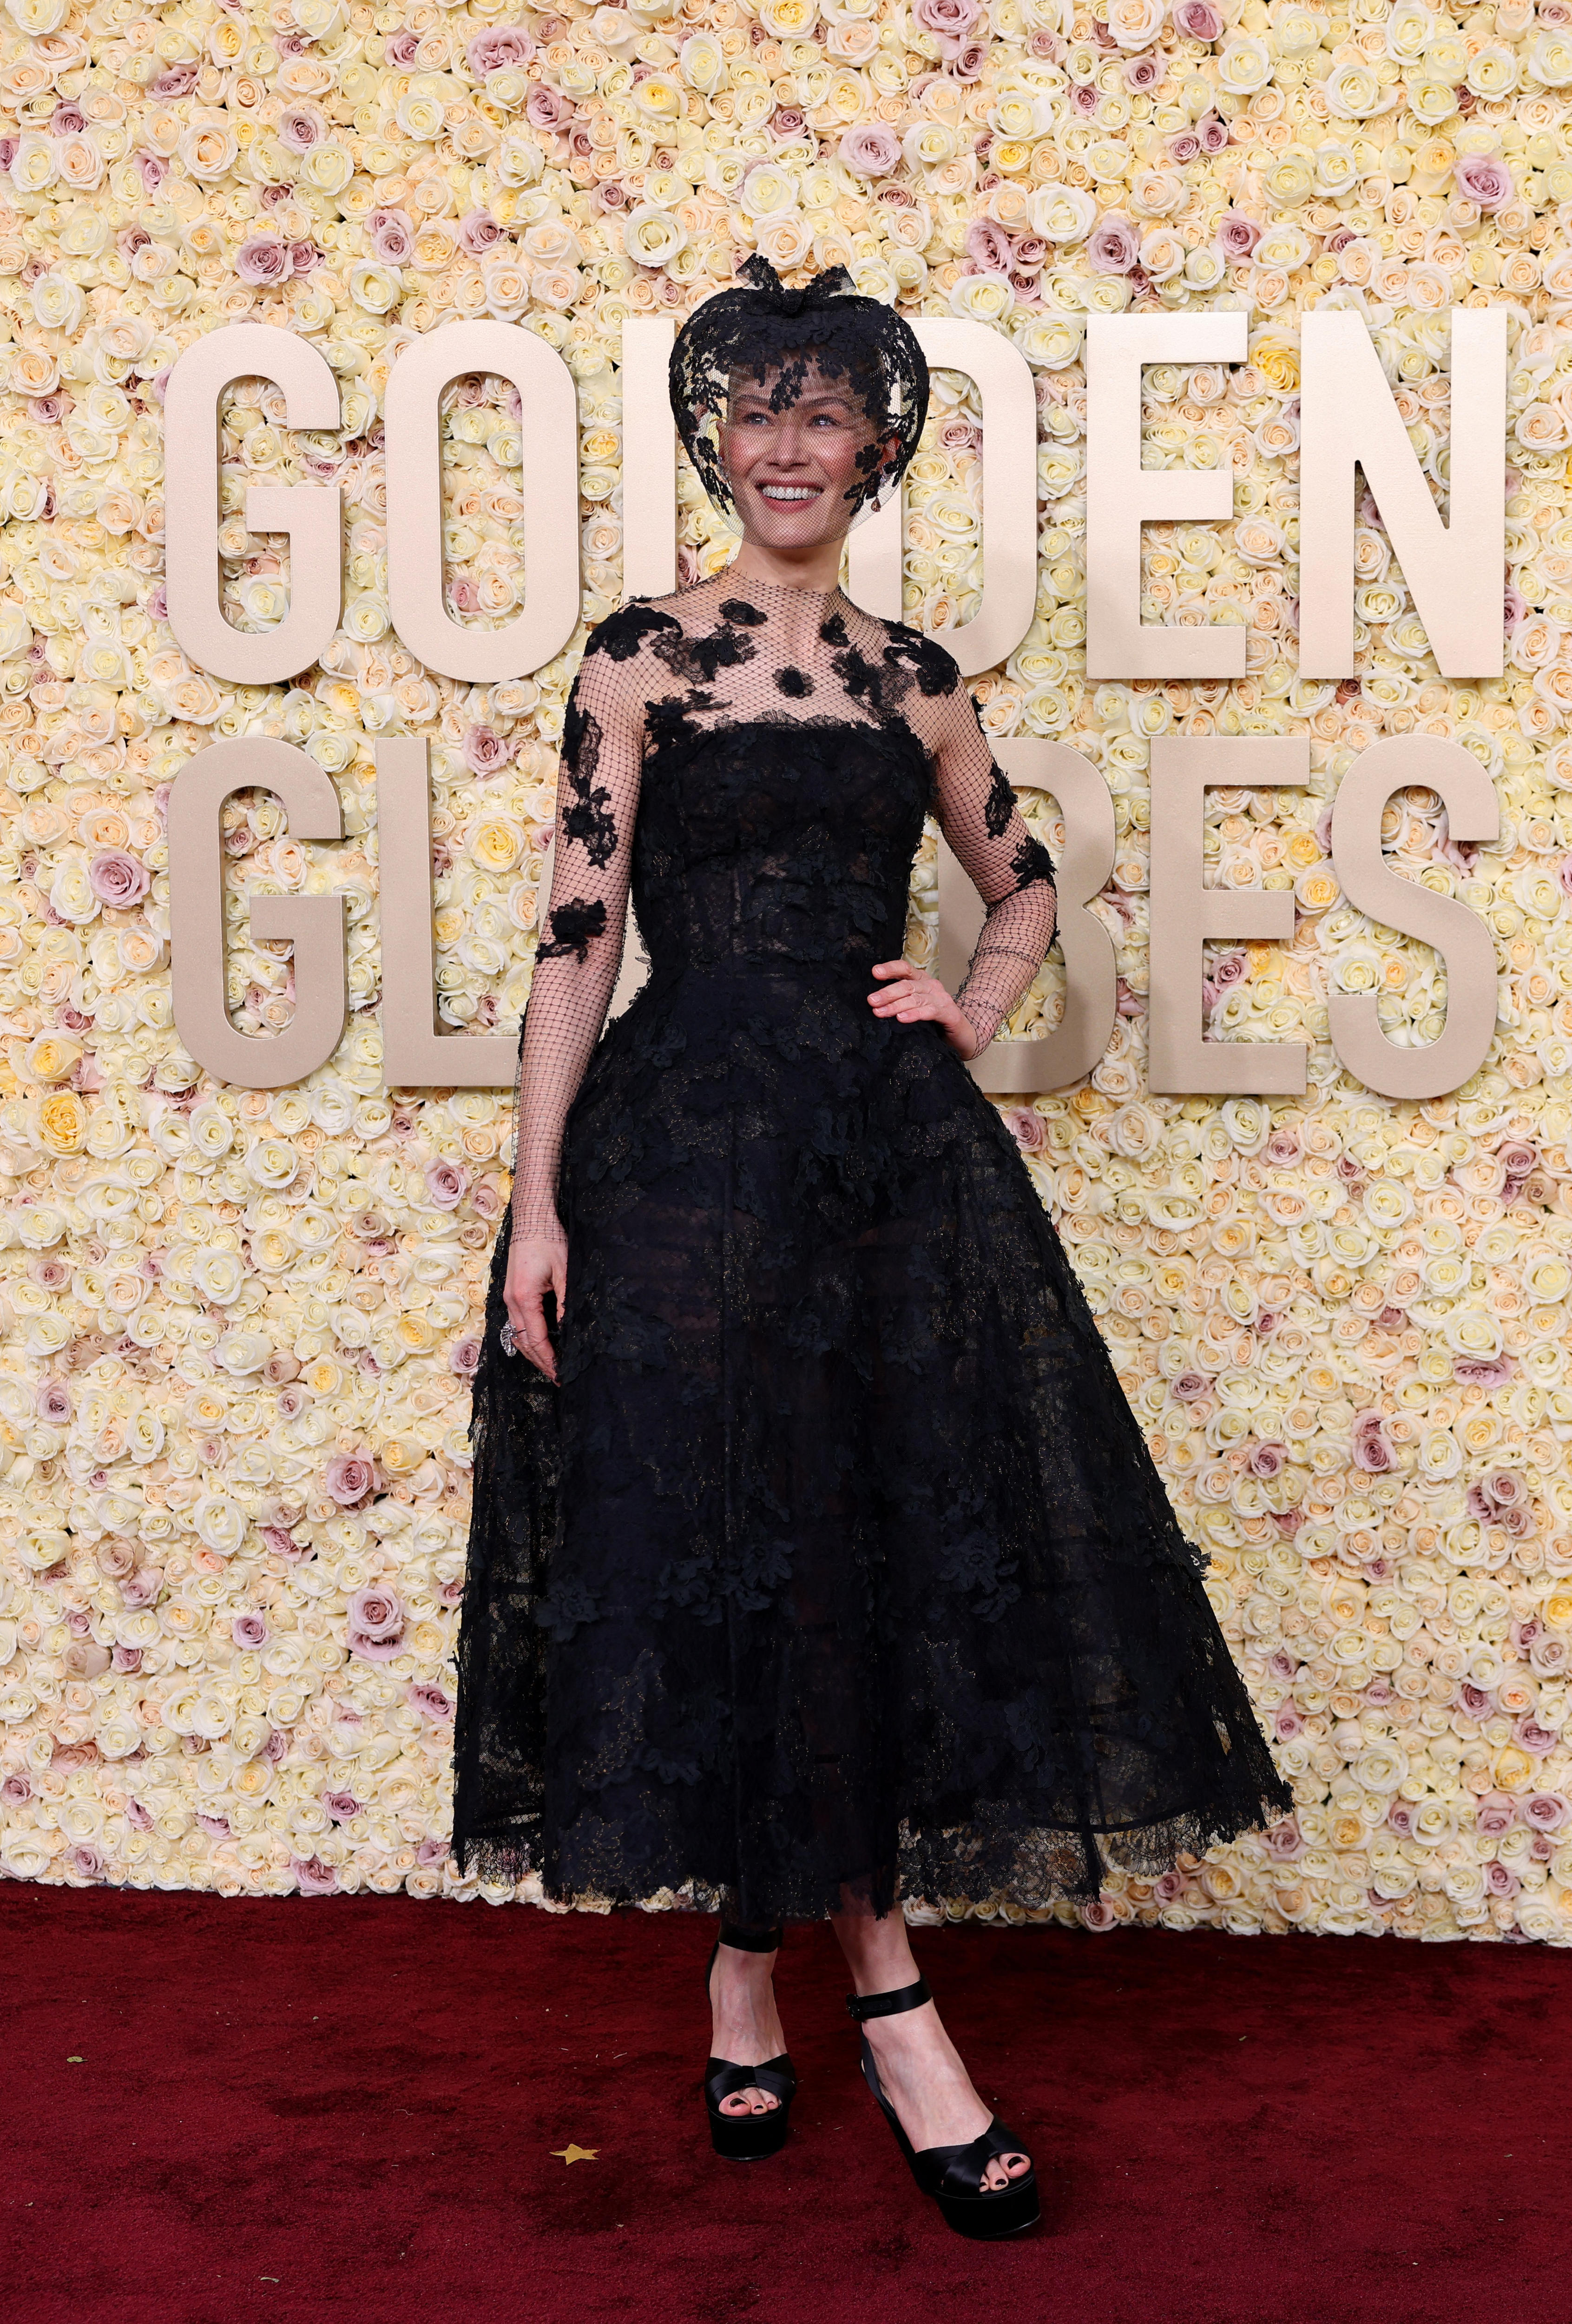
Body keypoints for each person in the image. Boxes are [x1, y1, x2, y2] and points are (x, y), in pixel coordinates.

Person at [451, 255, 1292, 2239]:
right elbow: (576, 938)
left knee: (852, 1537)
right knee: (727, 1538)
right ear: (717, 442)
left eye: (825, 414)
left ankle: (766, 1953)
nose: (788, 444)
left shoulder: (916, 680)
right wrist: (537, 1203)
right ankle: (880, 1993)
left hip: (882, 1164)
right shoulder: (639, 656)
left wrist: (977, 1005)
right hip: (678, 1161)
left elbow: (1025, 880)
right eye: (756, 411)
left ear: (879, 447)